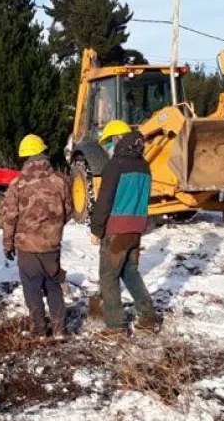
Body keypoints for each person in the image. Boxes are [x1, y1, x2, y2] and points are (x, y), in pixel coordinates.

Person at [90, 121, 159, 335]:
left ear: (118, 139)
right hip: (136, 228)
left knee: (108, 277)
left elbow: (104, 201)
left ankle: (116, 326)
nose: (109, 146)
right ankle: (148, 317)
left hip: (116, 230)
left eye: (110, 141)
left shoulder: (115, 165)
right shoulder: (145, 165)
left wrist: (96, 229)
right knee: (130, 272)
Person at [2, 134, 72, 337]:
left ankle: (39, 330)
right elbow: (68, 211)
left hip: (27, 248)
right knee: (53, 286)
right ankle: (60, 329)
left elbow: (9, 218)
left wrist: (8, 244)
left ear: (25, 158)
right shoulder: (60, 181)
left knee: (32, 289)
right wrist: (53, 229)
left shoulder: (17, 185)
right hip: (52, 246)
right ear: (43, 153)